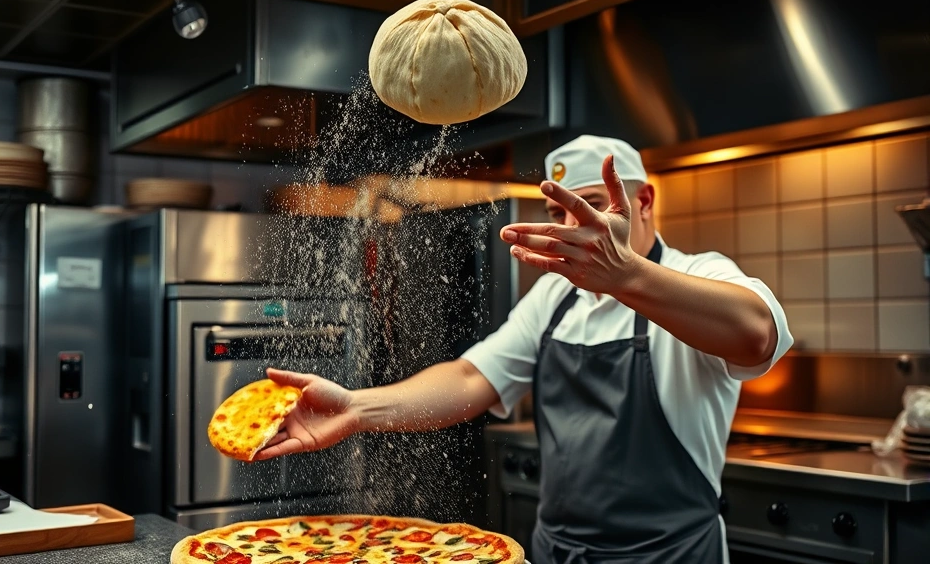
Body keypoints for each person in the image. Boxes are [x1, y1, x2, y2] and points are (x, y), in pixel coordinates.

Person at [256, 135, 793, 563]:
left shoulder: (696, 275)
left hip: (669, 554)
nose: (572, 230)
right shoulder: (556, 297)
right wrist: (357, 408)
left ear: (644, 201)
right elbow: (469, 379)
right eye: (560, 215)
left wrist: (628, 276)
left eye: (593, 208)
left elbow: (757, 335)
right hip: (556, 551)